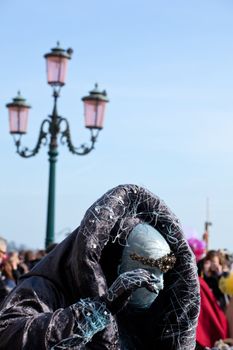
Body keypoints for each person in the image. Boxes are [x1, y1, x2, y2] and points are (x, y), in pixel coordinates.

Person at [0, 184, 200, 349]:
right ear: (116, 263)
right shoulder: (44, 289)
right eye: (147, 268)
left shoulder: (154, 314)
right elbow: (9, 336)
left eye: (162, 272)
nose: (157, 284)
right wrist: (99, 310)